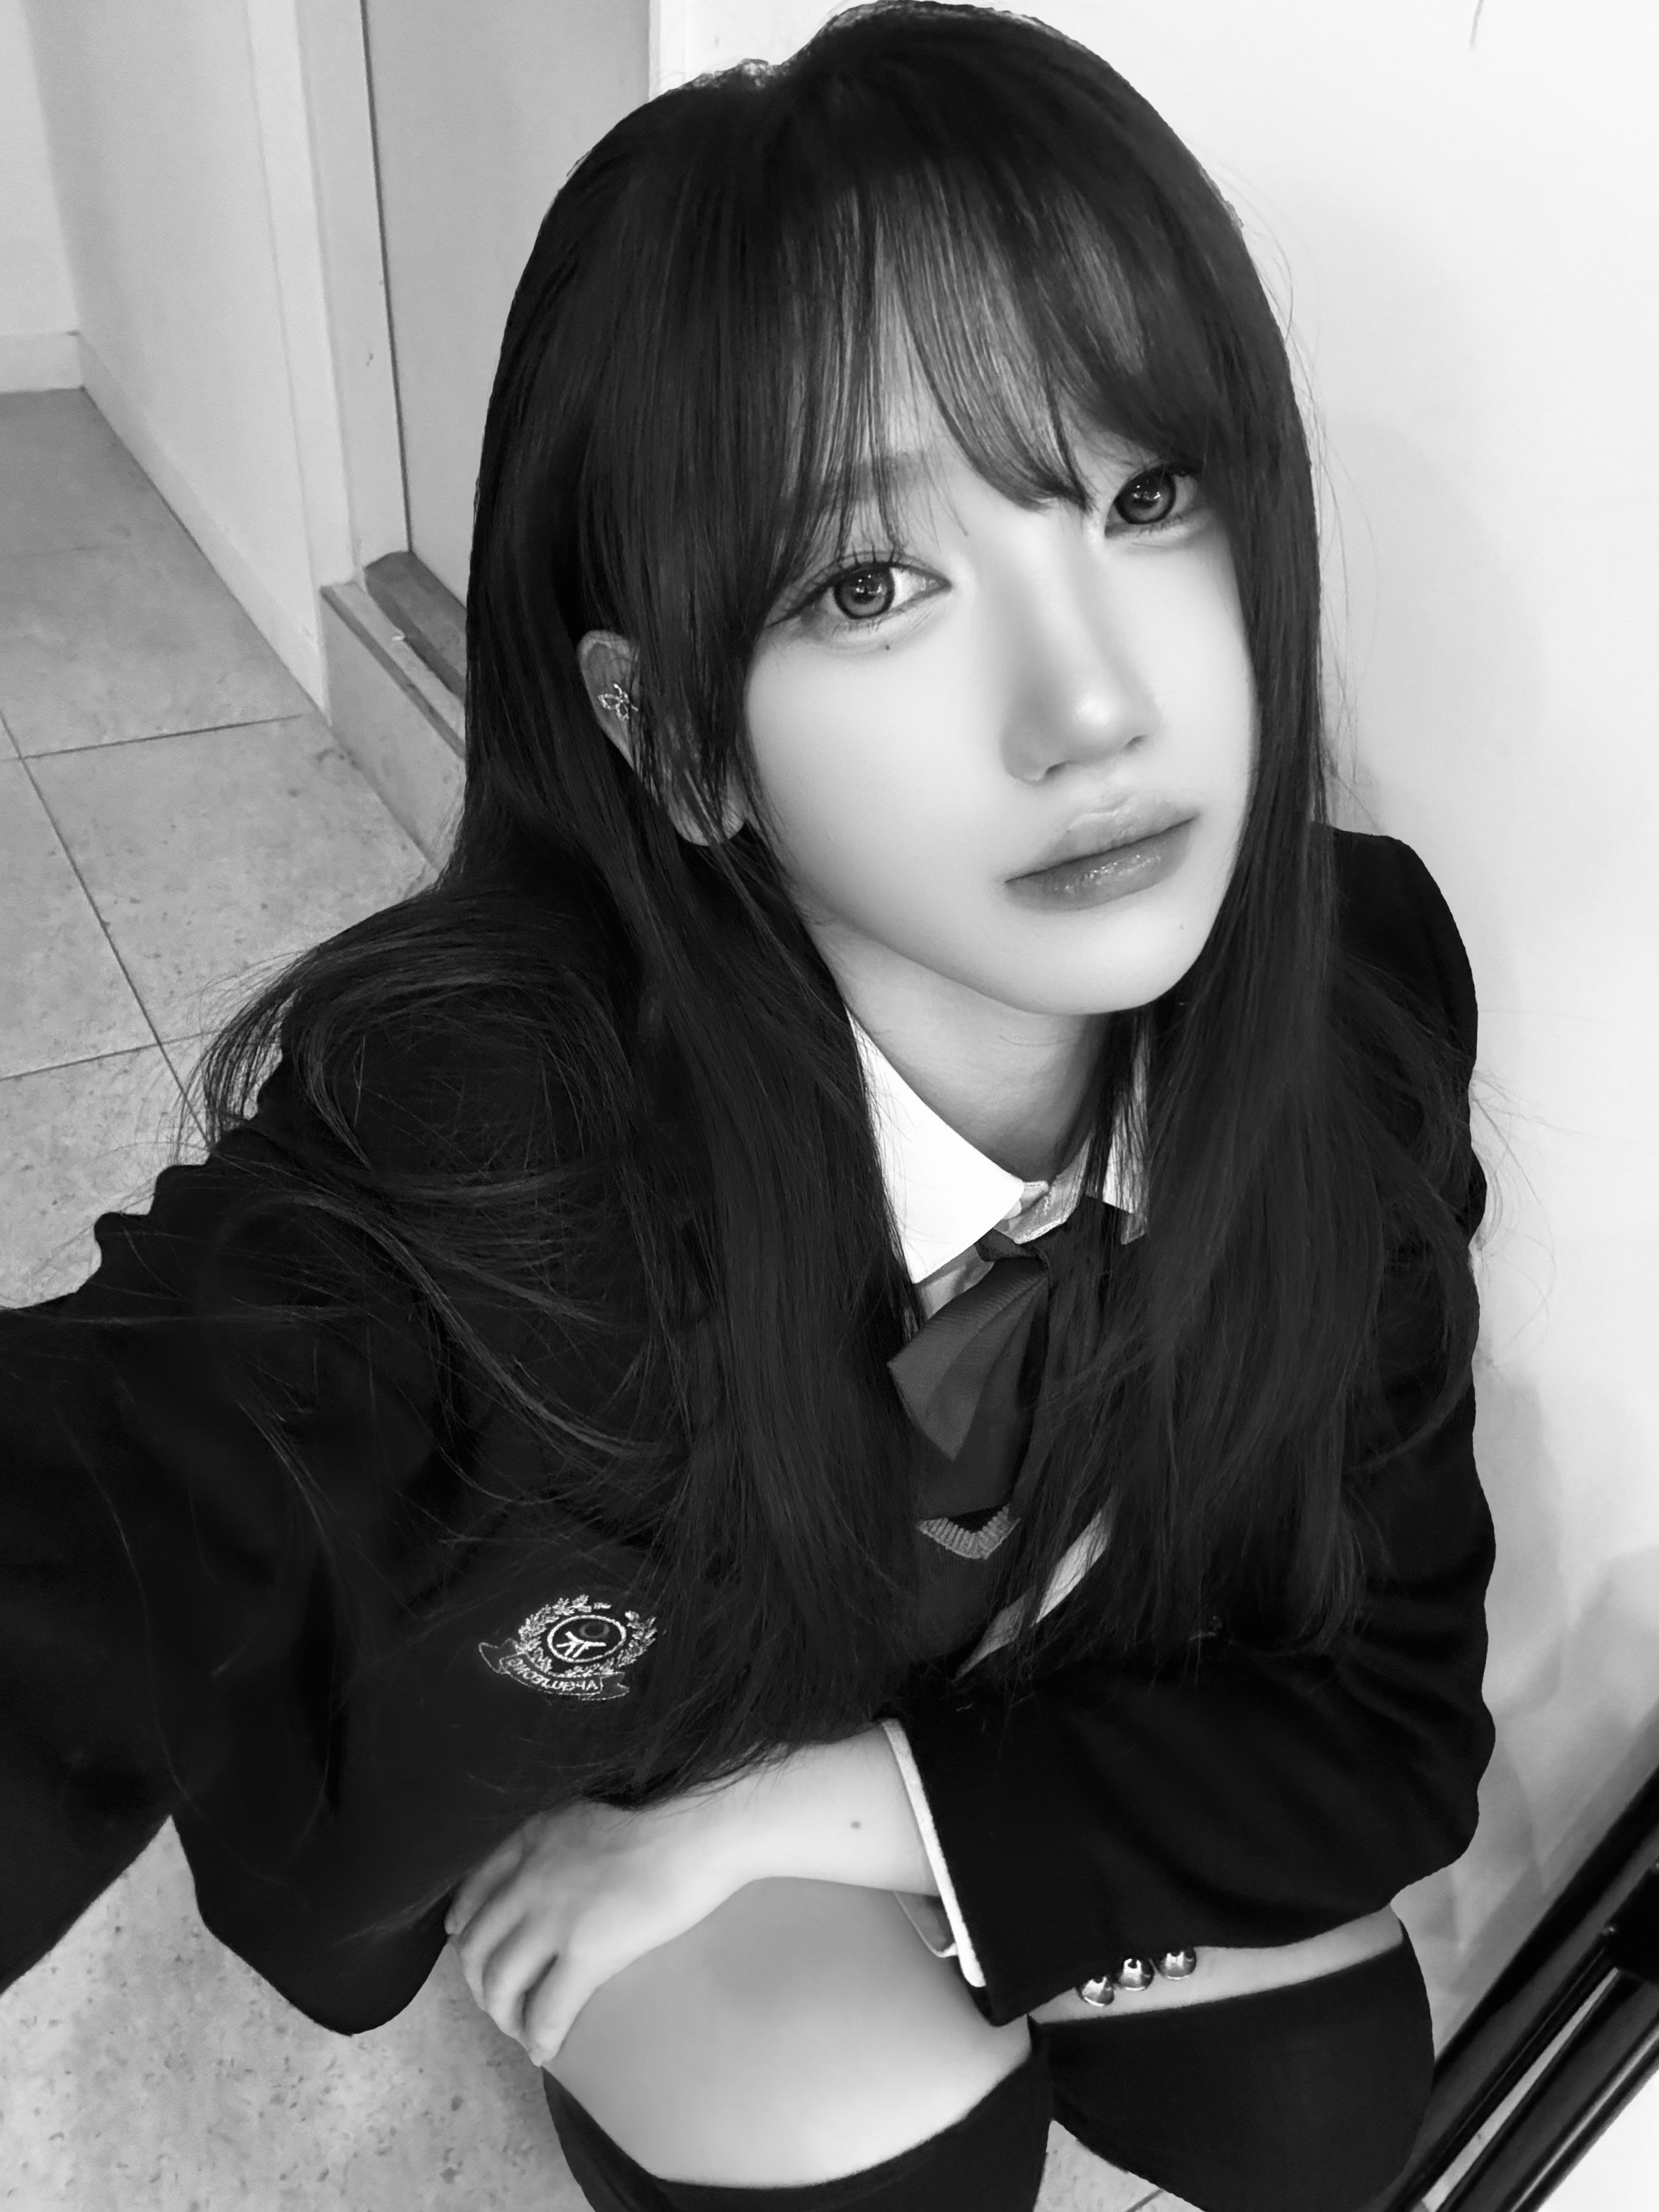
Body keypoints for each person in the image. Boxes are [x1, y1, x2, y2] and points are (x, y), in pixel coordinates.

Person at [0, 5, 1495, 2209]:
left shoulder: (1349, 999)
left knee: (1320, 2082)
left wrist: (829, 1817)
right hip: (650, 1717)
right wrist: (677, 1826)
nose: (1094, 707)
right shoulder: (485, 1143)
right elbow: (113, 1484)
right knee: (883, 2154)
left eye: (1144, 498)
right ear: (677, 739)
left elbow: (1391, 1719)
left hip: (952, 1707)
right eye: (873, 584)